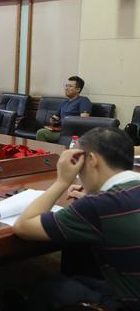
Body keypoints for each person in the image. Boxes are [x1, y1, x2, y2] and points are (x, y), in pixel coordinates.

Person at [14, 127, 140, 311]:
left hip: (130, 303)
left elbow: (23, 226)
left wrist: (62, 181)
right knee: (80, 276)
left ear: (92, 160)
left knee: (50, 287)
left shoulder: (97, 206)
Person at [36, 76, 92, 143]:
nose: (66, 88)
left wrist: (67, 121)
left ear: (78, 89)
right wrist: (53, 120)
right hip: (60, 130)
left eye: (70, 86)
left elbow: (84, 120)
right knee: (42, 131)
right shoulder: (64, 102)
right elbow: (55, 118)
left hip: (71, 133)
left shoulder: (84, 100)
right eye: (66, 86)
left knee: (41, 133)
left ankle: (43, 150)